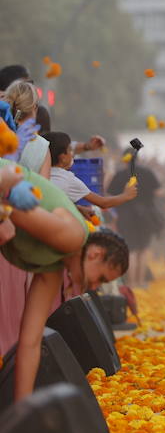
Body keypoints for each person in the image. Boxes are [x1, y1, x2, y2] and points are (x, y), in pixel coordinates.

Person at [0, 164, 129, 400]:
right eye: (100, 278)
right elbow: (9, 202)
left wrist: (24, 410)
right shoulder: (72, 238)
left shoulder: (53, 269)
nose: (93, 288)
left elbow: (30, 342)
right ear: (96, 254)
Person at [44, 131, 139, 219]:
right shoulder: (67, 179)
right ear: (63, 157)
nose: (72, 154)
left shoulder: (39, 171)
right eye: (70, 150)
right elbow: (103, 203)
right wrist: (125, 195)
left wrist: (77, 208)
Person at [107, 155, 163, 287]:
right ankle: (141, 281)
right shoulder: (148, 172)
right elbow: (159, 192)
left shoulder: (120, 174)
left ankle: (131, 283)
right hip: (146, 215)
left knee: (131, 250)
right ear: (138, 159)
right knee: (143, 250)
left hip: (125, 215)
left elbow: (109, 194)